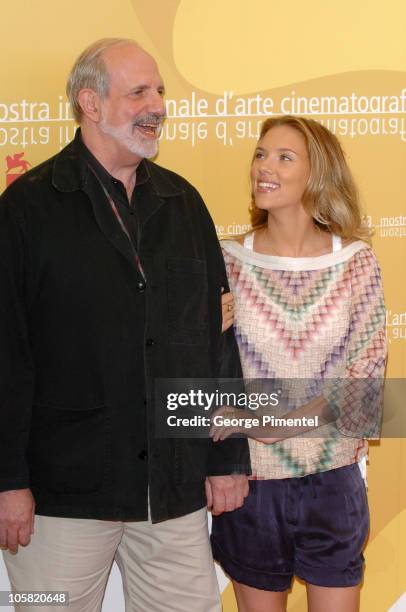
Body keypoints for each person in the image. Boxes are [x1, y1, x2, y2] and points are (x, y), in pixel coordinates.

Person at [0, 38, 250, 612]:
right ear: (90, 102)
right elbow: (7, 357)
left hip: (173, 488)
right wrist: (7, 480)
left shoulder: (184, 204)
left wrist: (228, 457)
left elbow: (218, 340)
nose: (157, 104)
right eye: (139, 91)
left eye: (160, 90)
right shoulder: (27, 209)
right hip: (62, 495)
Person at [210, 116, 387, 612]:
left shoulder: (356, 262)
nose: (264, 167)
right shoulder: (224, 261)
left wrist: (277, 426)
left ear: (317, 174)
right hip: (250, 486)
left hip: (332, 483)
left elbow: (365, 383)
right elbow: (206, 371)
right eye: (261, 154)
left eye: (284, 157)